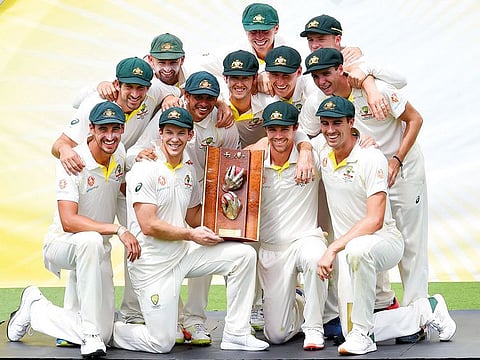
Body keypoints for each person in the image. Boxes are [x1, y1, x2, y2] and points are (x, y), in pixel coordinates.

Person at [110, 106, 269, 353]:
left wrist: (229, 221)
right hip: (153, 265)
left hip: (182, 255)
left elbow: (194, 216)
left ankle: (236, 333)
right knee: (162, 343)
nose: (175, 139)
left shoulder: (188, 169)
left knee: (243, 255)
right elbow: (148, 224)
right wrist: (192, 235)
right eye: (169, 132)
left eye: (181, 133)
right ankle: (110, 330)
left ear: (190, 135)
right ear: (160, 133)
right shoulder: (145, 168)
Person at [314, 96, 456, 355]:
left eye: (337, 123)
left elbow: (374, 219)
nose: (331, 130)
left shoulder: (371, 158)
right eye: (325, 124)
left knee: (357, 250)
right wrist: (302, 152)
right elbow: (291, 141)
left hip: (384, 241)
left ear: (351, 122)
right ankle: (426, 310)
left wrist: (332, 247)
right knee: (349, 329)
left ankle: (364, 335)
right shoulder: (322, 150)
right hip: (350, 250)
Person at [305, 48, 429, 331]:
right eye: (316, 76)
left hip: (403, 168)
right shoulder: (318, 101)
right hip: (368, 173)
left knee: (410, 243)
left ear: (341, 70)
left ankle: (419, 314)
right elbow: (310, 136)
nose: (322, 81)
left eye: (326, 73)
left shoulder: (374, 87)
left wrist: (397, 159)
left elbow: (415, 119)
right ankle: (382, 308)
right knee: (366, 238)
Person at [6, 101, 142, 358]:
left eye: (116, 129)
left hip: (95, 251)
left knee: (105, 335)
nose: (110, 136)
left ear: (123, 129)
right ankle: (88, 332)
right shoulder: (72, 161)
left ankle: (35, 308)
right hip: (62, 244)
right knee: (90, 239)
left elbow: (120, 186)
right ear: (91, 129)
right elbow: (69, 221)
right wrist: (118, 229)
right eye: (103, 129)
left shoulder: (120, 153)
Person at [51, 56, 158, 329]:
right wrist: (66, 152)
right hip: (74, 228)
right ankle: (52, 311)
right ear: (116, 85)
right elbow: (60, 144)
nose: (135, 94)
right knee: (89, 240)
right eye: (128, 87)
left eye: (141, 88)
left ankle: (129, 312)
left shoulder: (120, 149)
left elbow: (175, 87)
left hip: (115, 174)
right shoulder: (93, 108)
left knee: (137, 231)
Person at [246, 101, 328, 351]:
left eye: (285, 129)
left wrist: (305, 149)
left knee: (316, 257)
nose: (279, 136)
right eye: (273, 130)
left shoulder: (313, 156)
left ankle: (314, 327)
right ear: (266, 131)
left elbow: (344, 138)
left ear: (295, 129)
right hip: (272, 249)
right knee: (276, 336)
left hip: (305, 239)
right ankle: (299, 301)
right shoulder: (255, 158)